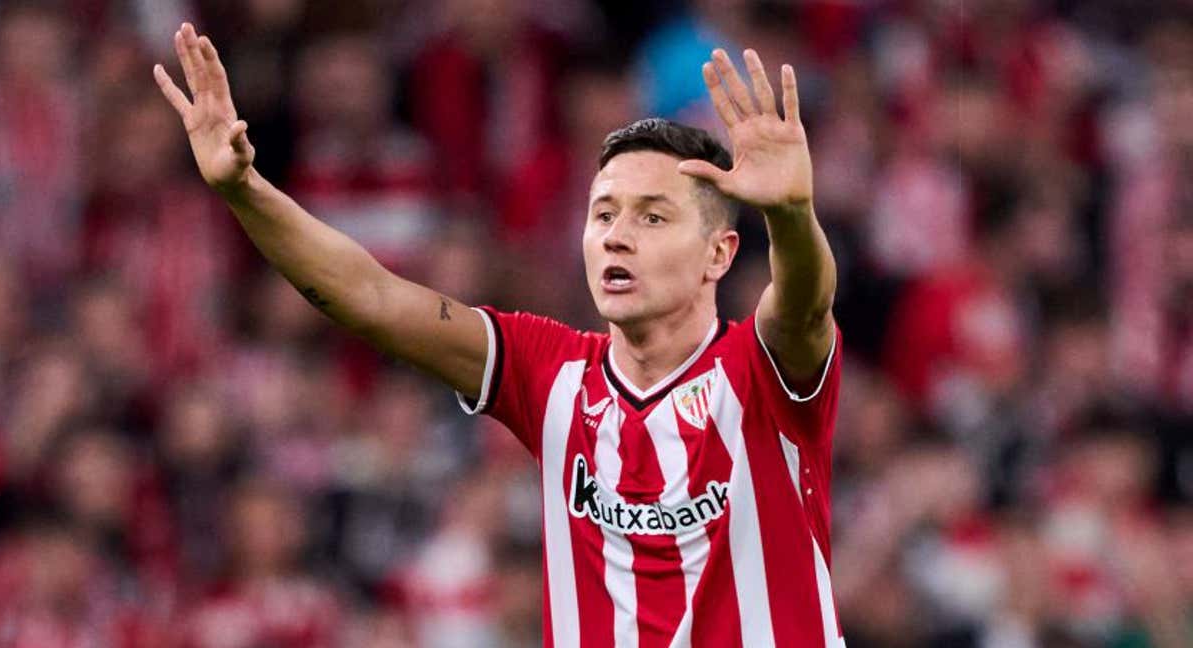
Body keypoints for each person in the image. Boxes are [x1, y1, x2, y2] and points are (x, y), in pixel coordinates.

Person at [155, 22, 843, 647]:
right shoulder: (551, 372)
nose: (617, 238)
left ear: (718, 254)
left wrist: (790, 216)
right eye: (603, 214)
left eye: (653, 218)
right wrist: (245, 190)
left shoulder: (756, 369)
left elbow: (805, 307)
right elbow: (369, 297)